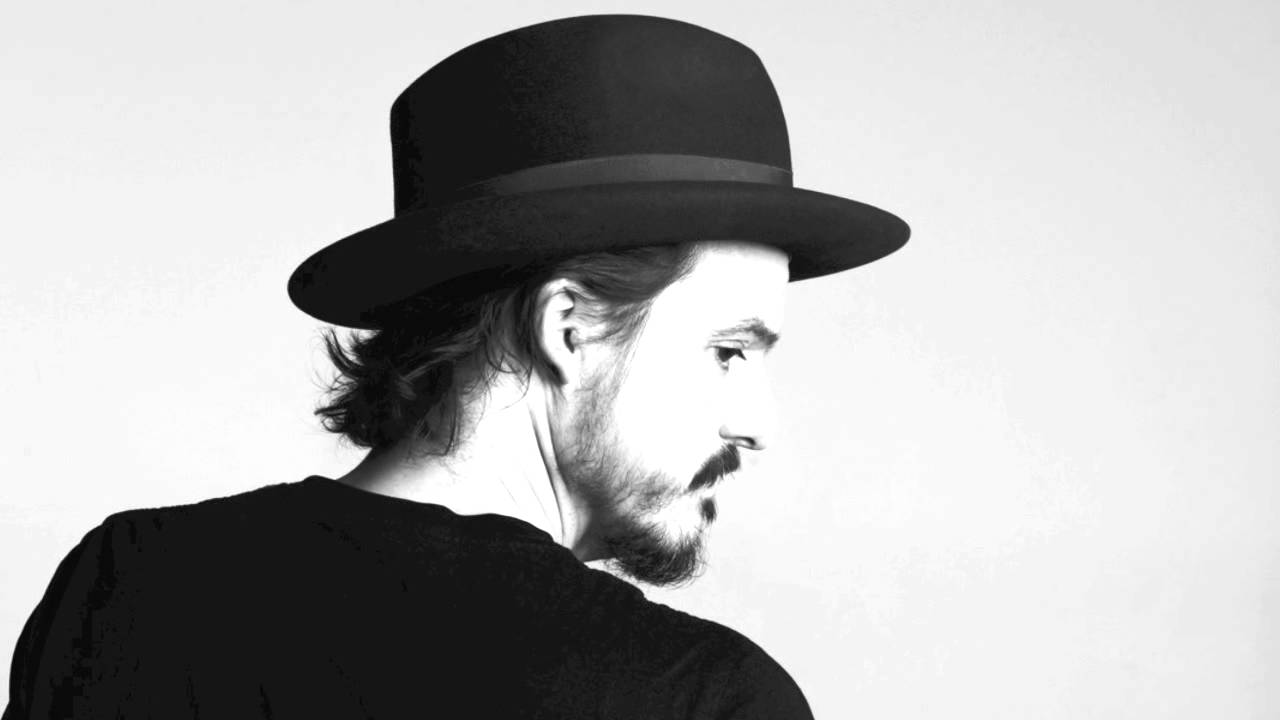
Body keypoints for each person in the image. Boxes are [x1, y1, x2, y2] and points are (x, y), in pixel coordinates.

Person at [3, 13, 908, 719]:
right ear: (569, 327)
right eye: (729, 352)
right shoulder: (700, 701)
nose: (758, 424)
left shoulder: (132, 584)